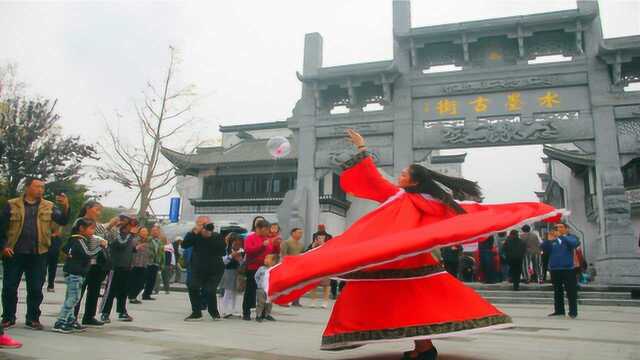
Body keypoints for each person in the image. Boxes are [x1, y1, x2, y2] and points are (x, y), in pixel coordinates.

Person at [266, 129, 563, 359]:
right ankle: (423, 347)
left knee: (398, 301)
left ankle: (422, 347)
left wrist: (361, 147)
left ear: (413, 182)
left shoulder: (406, 198)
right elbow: (464, 213)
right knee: (415, 304)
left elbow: (373, 178)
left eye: (404, 175)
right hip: (408, 261)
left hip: (393, 259)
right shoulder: (430, 203)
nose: (399, 177)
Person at [0, 177, 70, 330]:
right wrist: (3, 246)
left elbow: (63, 221)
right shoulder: (12, 205)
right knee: (10, 287)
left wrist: (65, 206)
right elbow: (1, 227)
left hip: (39, 253)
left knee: (36, 288)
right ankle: (8, 317)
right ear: (27, 187)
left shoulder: (49, 206)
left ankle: (33, 318)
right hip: (14, 252)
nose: (40, 190)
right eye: (37, 186)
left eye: (42, 187)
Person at [53, 218, 108, 333]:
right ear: (82, 228)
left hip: (72, 272)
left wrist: (70, 255)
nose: (93, 231)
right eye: (91, 228)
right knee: (74, 298)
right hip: (76, 273)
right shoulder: (80, 240)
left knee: (71, 297)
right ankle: (60, 321)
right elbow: (88, 253)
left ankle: (71, 320)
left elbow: (64, 248)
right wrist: (101, 246)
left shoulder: (73, 239)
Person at [73, 200, 112, 327]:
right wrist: (99, 239)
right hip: (84, 260)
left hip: (98, 261)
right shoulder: (80, 222)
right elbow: (81, 237)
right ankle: (72, 316)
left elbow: (107, 234)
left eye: (100, 210)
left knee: (94, 289)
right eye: (97, 209)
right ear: (88, 208)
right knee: (79, 290)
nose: (98, 212)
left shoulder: (98, 224)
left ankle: (89, 316)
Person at [182, 217, 226, 321]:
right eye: (201, 224)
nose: (204, 226)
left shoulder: (217, 236)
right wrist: (194, 232)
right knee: (192, 286)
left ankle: (214, 313)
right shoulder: (194, 235)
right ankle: (196, 313)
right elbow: (184, 245)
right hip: (198, 268)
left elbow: (222, 251)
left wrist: (209, 237)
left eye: (206, 224)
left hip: (215, 270)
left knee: (209, 290)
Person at [100, 214, 139, 323]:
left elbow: (129, 249)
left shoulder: (130, 236)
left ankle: (122, 312)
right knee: (110, 291)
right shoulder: (115, 232)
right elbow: (121, 244)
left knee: (123, 291)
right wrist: (131, 235)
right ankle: (105, 313)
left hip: (126, 267)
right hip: (115, 267)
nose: (132, 228)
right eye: (130, 225)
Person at [541, 223, 580, 319]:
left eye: (561, 227)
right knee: (557, 291)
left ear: (567, 229)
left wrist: (562, 236)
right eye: (556, 227)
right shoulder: (553, 240)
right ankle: (559, 311)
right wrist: (548, 240)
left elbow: (574, 244)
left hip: (568, 269)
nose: (558, 229)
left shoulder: (571, 238)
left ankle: (573, 312)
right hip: (555, 269)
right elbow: (543, 248)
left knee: (571, 291)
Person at [242, 219, 274, 321]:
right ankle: (246, 312)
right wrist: (262, 246)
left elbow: (271, 251)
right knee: (250, 290)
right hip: (253, 268)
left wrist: (276, 246)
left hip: (266, 269)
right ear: (258, 228)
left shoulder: (267, 239)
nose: (267, 232)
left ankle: (264, 313)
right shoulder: (250, 238)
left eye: (268, 229)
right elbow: (248, 251)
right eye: (265, 229)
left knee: (266, 291)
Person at [280, 228, 305, 307]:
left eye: (301, 233)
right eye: (299, 233)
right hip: (288, 266)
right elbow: (283, 255)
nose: (300, 235)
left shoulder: (301, 245)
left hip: (298, 267)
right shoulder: (286, 242)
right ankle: (284, 301)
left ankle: (296, 300)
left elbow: (302, 255)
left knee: (298, 284)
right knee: (287, 284)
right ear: (293, 233)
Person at [221, 233, 244, 318]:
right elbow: (223, 261)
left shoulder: (241, 251)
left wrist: (240, 259)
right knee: (228, 291)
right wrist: (231, 256)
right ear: (231, 242)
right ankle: (224, 310)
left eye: (239, 242)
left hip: (237, 272)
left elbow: (242, 262)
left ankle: (233, 310)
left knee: (235, 292)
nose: (237, 244)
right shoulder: (226, 250)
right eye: (235, 242)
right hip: (228, 271)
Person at [308, 234, 331, 309]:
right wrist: (313, 247)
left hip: (325, 267)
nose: (320, 239)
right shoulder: (312, 246)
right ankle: (313, 300)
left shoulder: (328, 246)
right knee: (313, 284)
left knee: (326, 285)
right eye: (318, 238)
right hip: (313, 267)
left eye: (322, 238)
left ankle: (325, 301)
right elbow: (307, 254)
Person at [142, 225, 164, 301]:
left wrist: (161, 262)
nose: (155, 232)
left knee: (152, 280)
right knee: (145, 279)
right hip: (148, 262)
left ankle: (147, 294)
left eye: (157, 231)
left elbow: (161, 253)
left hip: (156, 263)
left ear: (159, 232)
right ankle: (135, 293)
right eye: (153, 231)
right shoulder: (148, 239)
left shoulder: (160, 241)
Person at [128, 227, 149, 304]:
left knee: (141, 283)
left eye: (145, 231)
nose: (144, 233)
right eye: (142, 231)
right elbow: (130, 251)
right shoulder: (135, 240)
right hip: (134, 265)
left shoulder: (149, 242)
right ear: (139, 233)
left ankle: (133, 296)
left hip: (144, 265)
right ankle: (132, 297)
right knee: (134, 282)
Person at [255, 254, 276, 322]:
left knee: (269, 303)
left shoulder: (274, 269)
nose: (265, 260)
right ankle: (258, 315)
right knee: (260, 302)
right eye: (265, 259)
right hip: (261, 289)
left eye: (268, 259)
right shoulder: (261, 269)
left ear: (273, 262)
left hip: (270, 289)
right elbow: (256, 276)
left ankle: (267, 314)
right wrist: (259, 284)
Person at [46, 225, 63, 293]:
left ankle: (50, 285)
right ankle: (48, 285)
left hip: (54, 252)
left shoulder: (57, 238)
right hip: (46, 250)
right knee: (44, 268)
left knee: (52, 269)